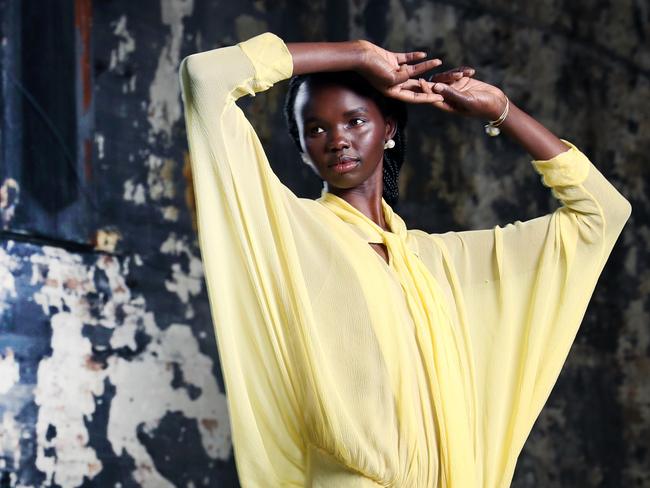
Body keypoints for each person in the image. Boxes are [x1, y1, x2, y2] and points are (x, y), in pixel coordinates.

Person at [179, 31, 631, 487]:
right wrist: (356, 54)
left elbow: (603, 213)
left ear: (388, 129)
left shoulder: (440, 262)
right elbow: (204, 76)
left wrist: (501, 111)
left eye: (355, 121)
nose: (337, 140)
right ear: (301, 148)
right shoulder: (289, 231)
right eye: (316, 129)